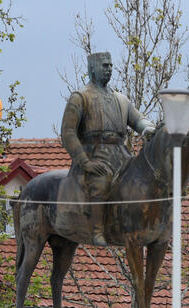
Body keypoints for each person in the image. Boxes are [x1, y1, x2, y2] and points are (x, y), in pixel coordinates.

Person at [59, 51, 156, 246]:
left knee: (145, 179)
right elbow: (68, 132)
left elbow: (138, 120)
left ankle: (149, 226)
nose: (109, 69)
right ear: (93, 68)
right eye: (105, 65)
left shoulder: (122, 99)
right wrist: (85, 162)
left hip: (122, 154)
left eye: (111, 65)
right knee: (102, 180)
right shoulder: (80, 97)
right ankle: (96, 230)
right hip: (94, 154)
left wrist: (149, 129)